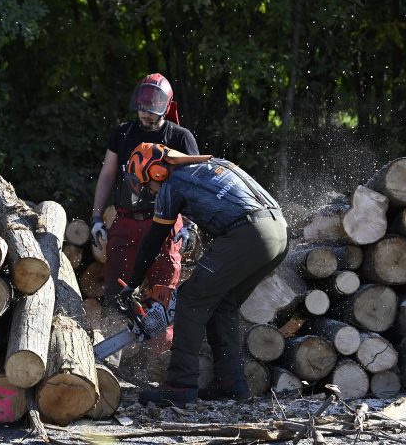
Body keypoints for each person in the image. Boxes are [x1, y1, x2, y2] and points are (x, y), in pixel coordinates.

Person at [119, 142, 288, 406]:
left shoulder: (172, 184)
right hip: (277, 231)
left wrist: (132, 284)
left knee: (191, 298)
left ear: (157, 173)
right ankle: (231, 382)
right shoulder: (211, 165)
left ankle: (179, 384)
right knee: (224, 303)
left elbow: (154, 240)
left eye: (146, 183)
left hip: (247, 233)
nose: (148, 191)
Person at [90, 73, 199, 321]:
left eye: (152, 109)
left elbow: (195, 184)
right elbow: (107, 174)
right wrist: (96, 217)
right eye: (142, 107)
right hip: (126, 222)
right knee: (117, 292)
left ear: (165, 106)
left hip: (165, 224)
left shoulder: (180, 137)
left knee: (162, 296)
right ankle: (115, 355)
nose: (146, 113)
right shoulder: (123, 134)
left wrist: (190, 224)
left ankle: (159, 357)